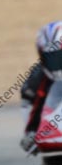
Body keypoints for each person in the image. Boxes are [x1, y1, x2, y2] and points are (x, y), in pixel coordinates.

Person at [20, 21, 62, 156]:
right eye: (51, 58)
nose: (56, 63)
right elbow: (33, 105)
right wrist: (31, 133)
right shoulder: (37, 79)